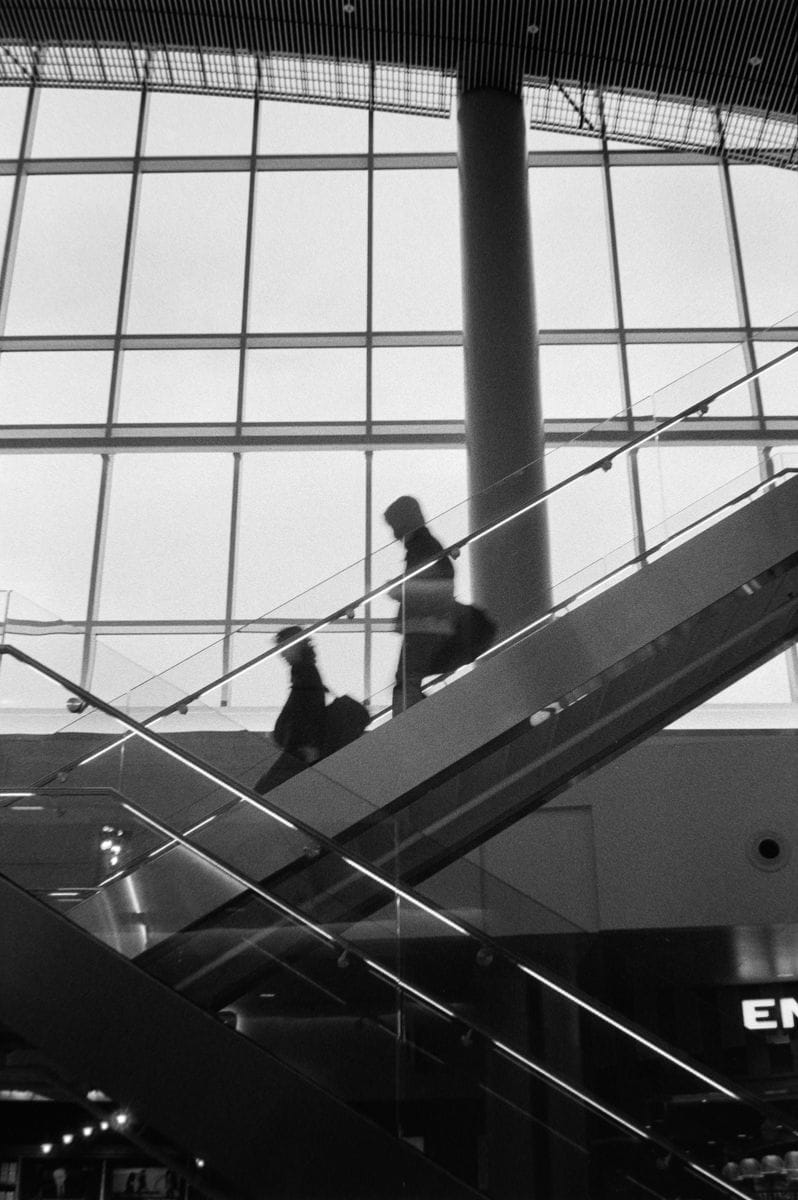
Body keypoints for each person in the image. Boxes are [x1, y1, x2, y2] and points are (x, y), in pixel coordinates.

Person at [384, 495, 455, 716]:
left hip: (424, 625)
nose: (394, 533)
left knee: (405, 682)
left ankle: (412, 726)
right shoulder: (425, 545)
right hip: (429, 624)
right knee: (407, 681)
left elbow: (432, 582)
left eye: (395, 524)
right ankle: (419, 722)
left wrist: (400, 590)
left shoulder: (422, 547)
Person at [254, 626, 327, 794]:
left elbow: (308, 710)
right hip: (300, 746)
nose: (281, 654)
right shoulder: (305, 670)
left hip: (300, 748)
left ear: (296, 645)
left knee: (266, 790)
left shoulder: (304, 671)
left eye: (283, 648)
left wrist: (310, 744)